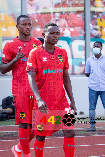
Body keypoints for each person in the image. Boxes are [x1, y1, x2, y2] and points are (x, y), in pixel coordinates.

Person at [26, 23, 76, 157]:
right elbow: (30, 77)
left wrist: (72, 101)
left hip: (61, 102)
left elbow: (66, 78)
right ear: (43, 35)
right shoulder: (35, 53)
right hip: (43, 104)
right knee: (41, 136)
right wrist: (39, 99)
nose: (55, 36)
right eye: (52, 33)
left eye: (57, 33)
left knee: (70, 131)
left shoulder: (62, 53)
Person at [0, 15, 42, 157]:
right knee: (24, 124)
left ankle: (18, 148)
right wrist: (16, 60)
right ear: (17, 27)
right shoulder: (10, 45)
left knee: (38, 125)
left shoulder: (37, 43)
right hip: (21, 90)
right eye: (24, 24)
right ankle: (26, 154)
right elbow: (2, 68)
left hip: (36, 91)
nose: (28, 27)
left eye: (29, 24)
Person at [85, 41, 105, 132]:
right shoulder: (89, 60)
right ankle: (92, 126)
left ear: (101, 48)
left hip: (104, 87)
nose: (96, 48)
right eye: (94, 46)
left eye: (98, 46)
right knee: (92, 107)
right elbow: (87, 73)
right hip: (93, 87)